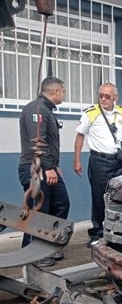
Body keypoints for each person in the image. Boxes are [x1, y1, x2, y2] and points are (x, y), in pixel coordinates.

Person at [74, 83, 122, 247]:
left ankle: (119, 231)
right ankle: (97, 233)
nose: (103, 99)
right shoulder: (91, 113)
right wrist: (77, 159)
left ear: (115, 97)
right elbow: (80, 136)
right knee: (99, 197)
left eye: (107, 96)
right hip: (100, 161)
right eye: (100, 95)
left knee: (121, 196)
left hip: (120, 161)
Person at [18, 76, 70, 267]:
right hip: (35, 169)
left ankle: (47, 248)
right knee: (39, 211)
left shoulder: (46, 110)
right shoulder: (37, 109)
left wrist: (54, 167)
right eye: (63, 91)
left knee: (61, 204)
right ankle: (32, 255)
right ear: (56, 91)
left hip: (47, 168)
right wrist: (48, 167)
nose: (64, 94)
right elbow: (38, 143)